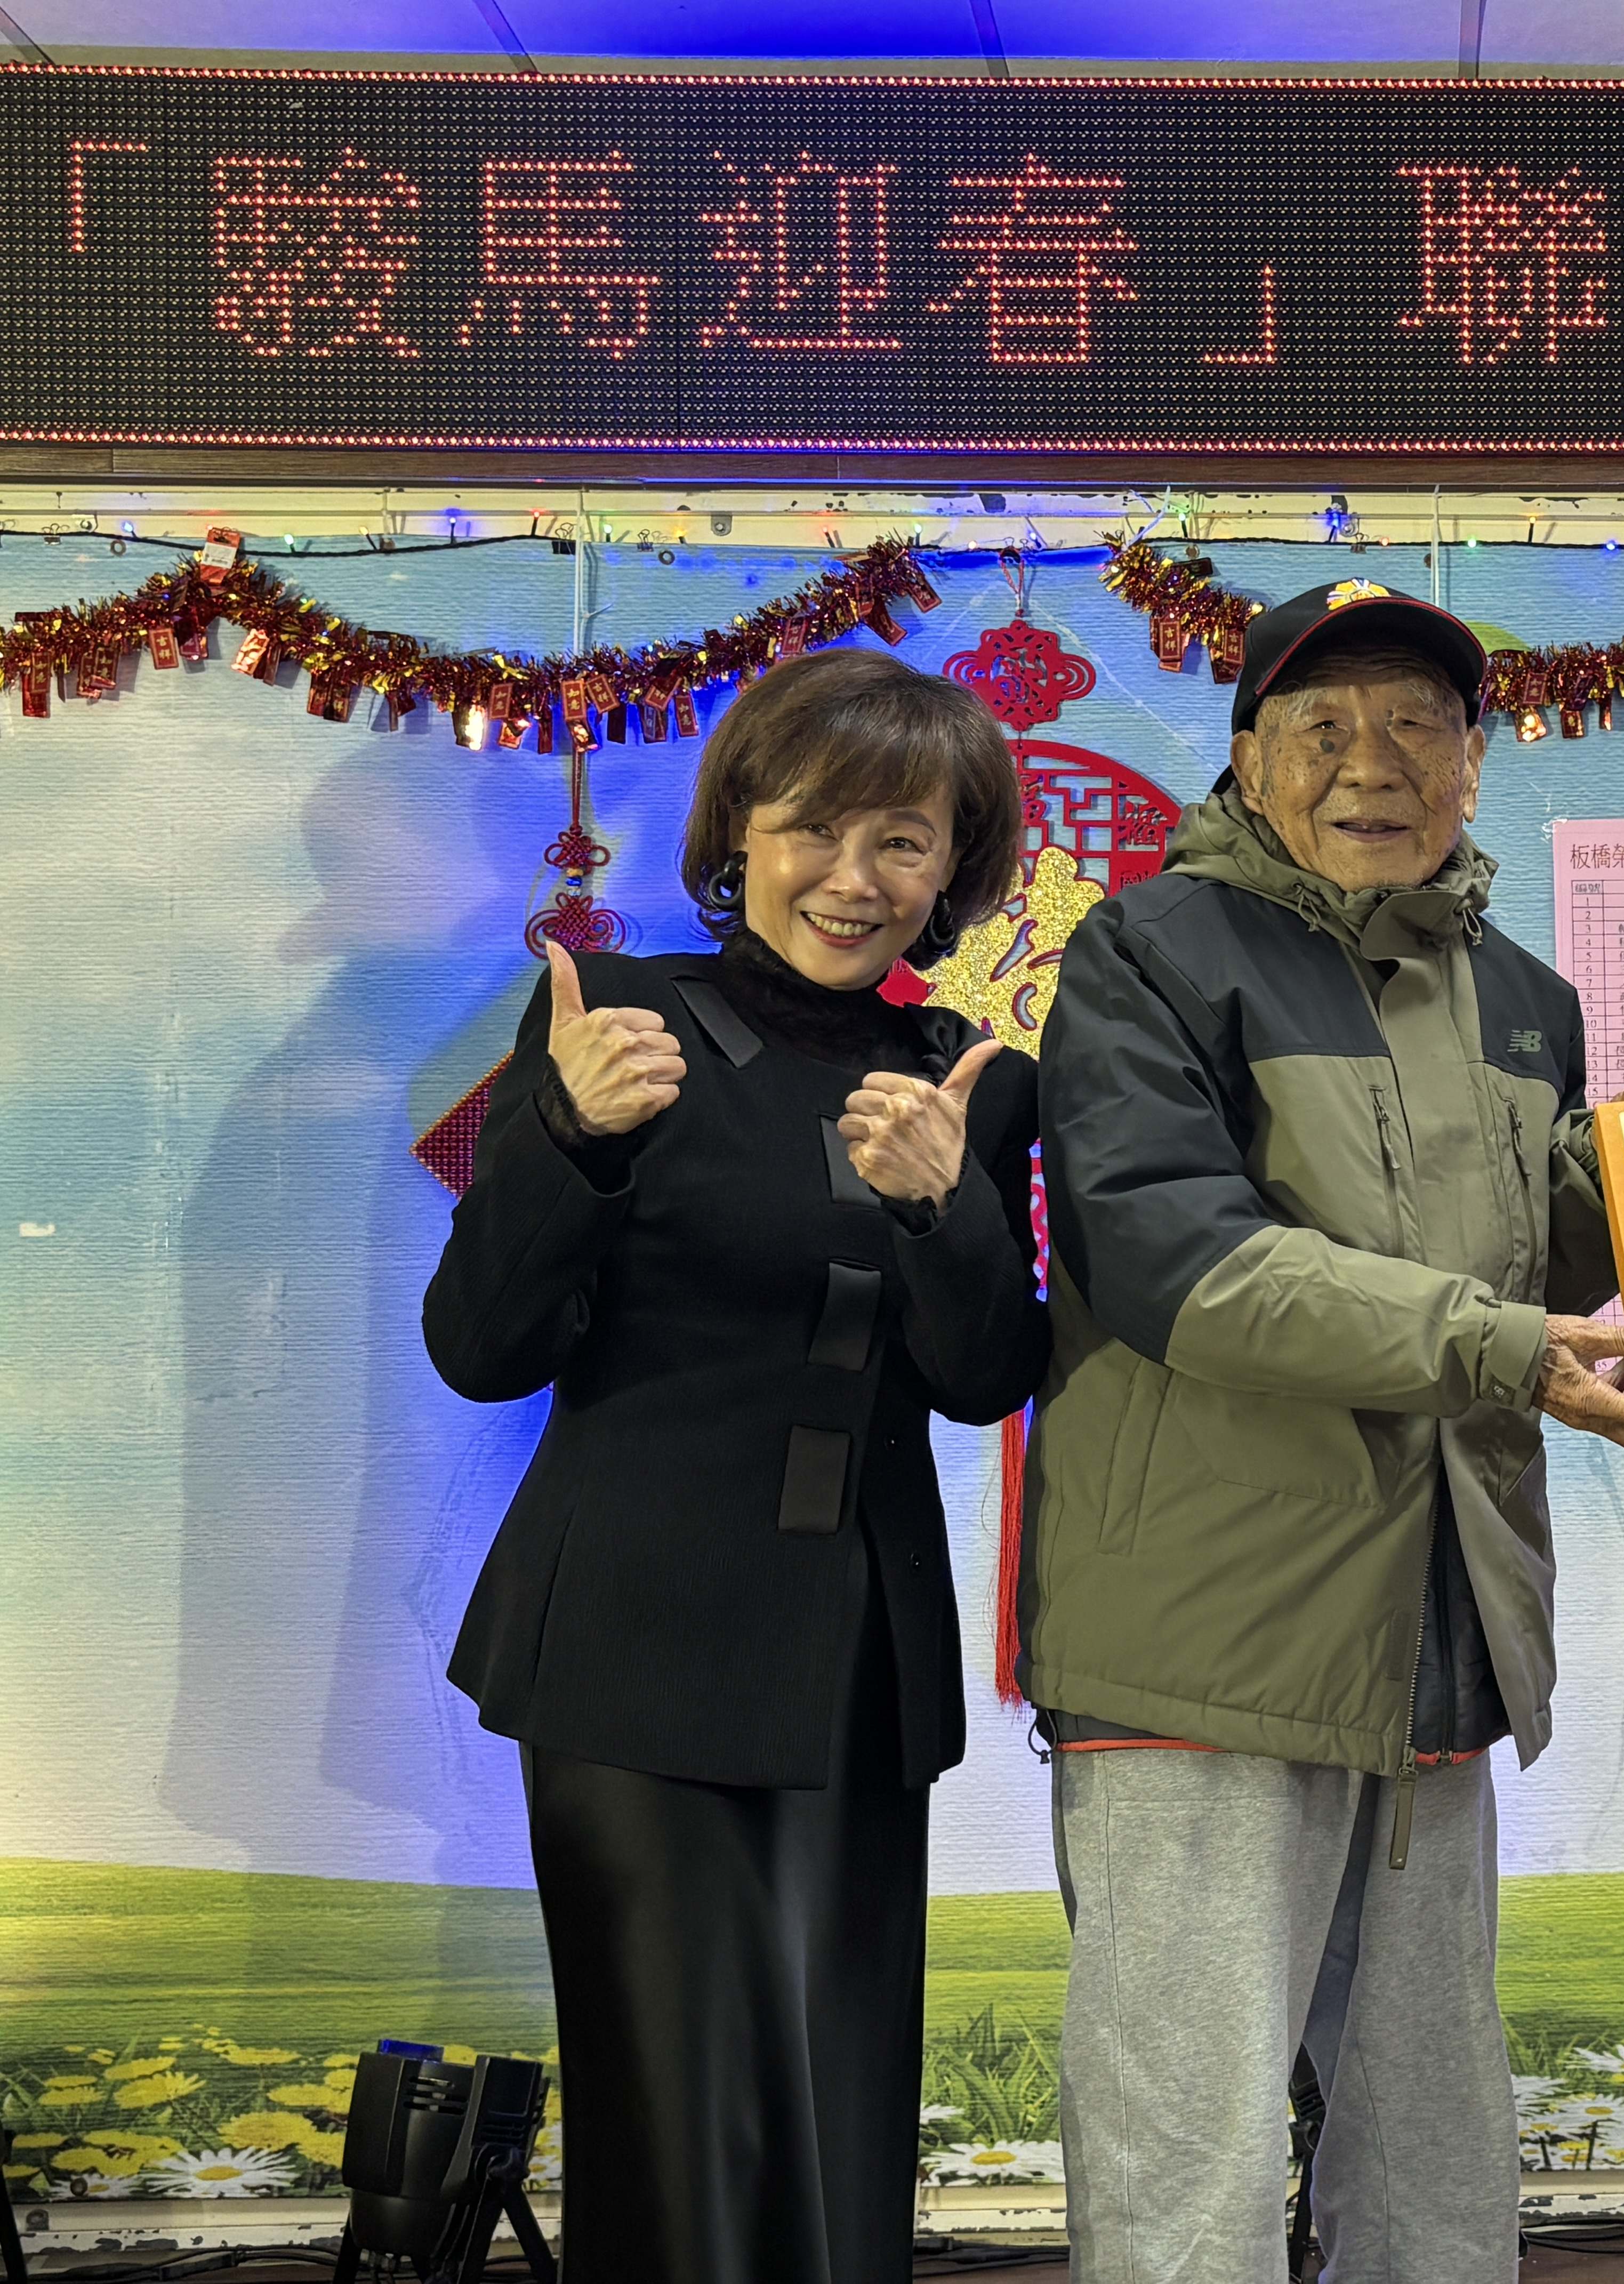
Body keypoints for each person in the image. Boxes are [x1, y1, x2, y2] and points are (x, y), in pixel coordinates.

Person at [1025, 579, 1624, 2284]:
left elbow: (1534, 1263)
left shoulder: (1525, 995)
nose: (1372, 762)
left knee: (1433, 2147)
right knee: (1193, 2162)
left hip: (1437, 1635)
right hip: (1202, 1649)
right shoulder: (1147, 954)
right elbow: (1181, 1263)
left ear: (1474, 764)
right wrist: (1502, 1344)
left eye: (1415, 724)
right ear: (1250, 759)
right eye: (1321, 725)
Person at [422, 648, 1049, 2284]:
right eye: (814, 828)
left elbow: (983, 1378)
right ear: (742, 834)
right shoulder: (618, 1019)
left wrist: (947, 1209)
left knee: (841, 2118)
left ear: (953, 867)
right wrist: (567, 1139)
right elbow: (479, 1345)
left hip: (854, 1668)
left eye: (902, 840)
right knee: (683, 2125)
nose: (855, 877)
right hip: (634, 1650)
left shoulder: (967, 1076)